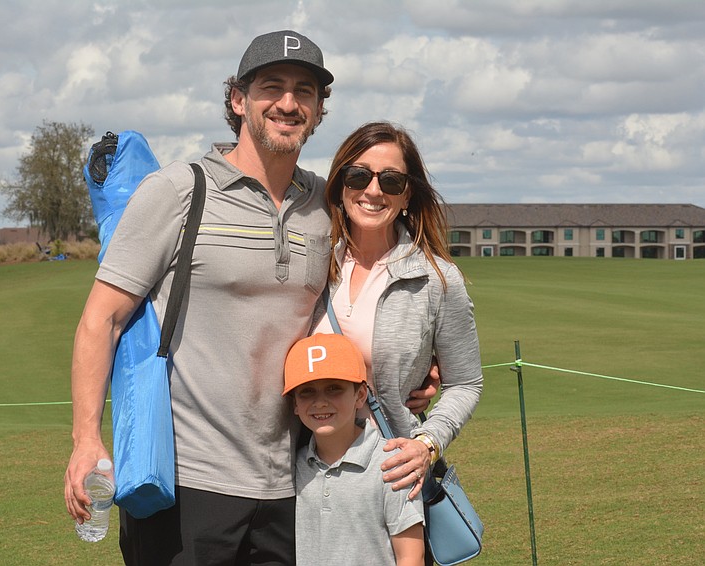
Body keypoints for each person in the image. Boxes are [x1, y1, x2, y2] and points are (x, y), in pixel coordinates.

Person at [64, 29, 335, 565]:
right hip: (187, 484)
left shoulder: (327, 205)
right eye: (270, 87)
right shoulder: (178, 191)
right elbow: (102, 320)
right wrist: (85, 441)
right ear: (238, 100)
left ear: (321, 109)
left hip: (296, 483)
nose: (288, 102)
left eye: (305, 90)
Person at [313, 121, 483, 503]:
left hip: (391, 479)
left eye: (391, 181)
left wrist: (427, 444)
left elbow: (466, 383)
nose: (373, 191)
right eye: (358, 176)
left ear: (407, 195)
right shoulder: (312, 265)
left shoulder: (437, 280)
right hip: (306, 474)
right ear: (340, 186)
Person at [286, 333, 426, 566]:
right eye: (307, 391)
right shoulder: (294, 464)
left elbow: (411, 556)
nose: (320, 402)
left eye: (334, 388)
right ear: (295, 405)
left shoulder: (392, 464)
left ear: (360, 395)